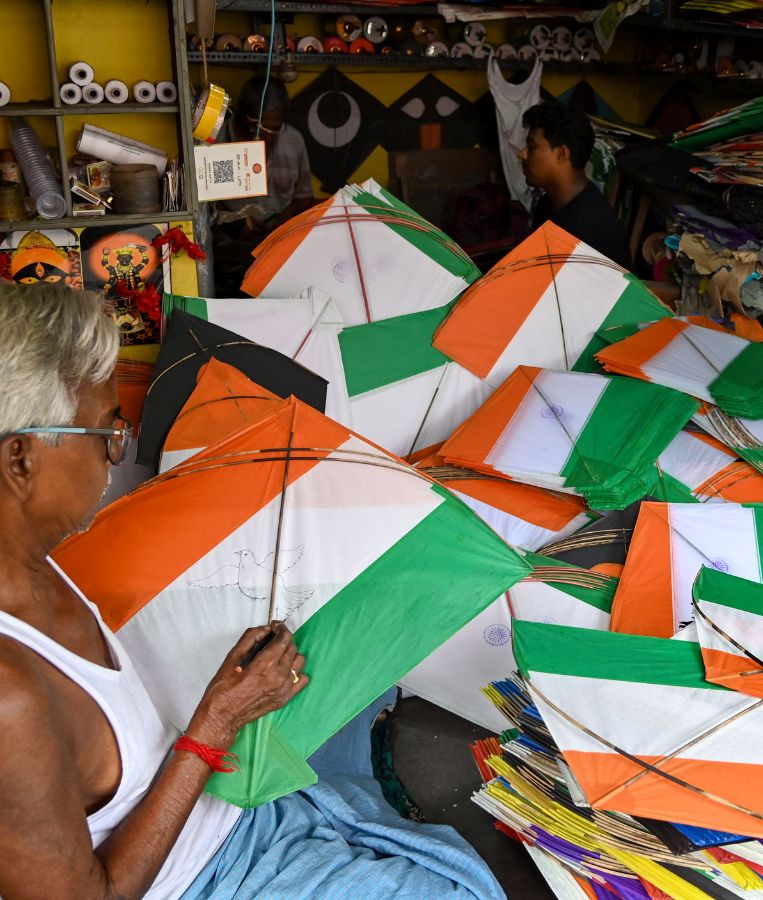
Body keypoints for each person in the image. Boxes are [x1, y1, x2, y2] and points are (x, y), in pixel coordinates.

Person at [0, 283, 504, 899]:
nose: (116, 454)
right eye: (107, 432)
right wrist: (217, 722)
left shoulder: (37, 561)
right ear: (20, 459)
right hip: (198, 874)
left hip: (221, 805)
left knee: (367, 652)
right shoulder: (9, 699)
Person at [212, 76, 315, 295]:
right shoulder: (217, 142)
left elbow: (304, 197)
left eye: (273, 130)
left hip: (276, 246)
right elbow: (199, 204)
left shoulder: (293, 141)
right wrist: (232, 222)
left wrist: (282, 220)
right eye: (254, 127)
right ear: (241, 114)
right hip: (228, 249)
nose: (263, 137)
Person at [519, 101, 632, 268]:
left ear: (562, 154)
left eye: (532, 146)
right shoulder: (548, 205)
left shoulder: (587, 228)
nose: (522, 154)